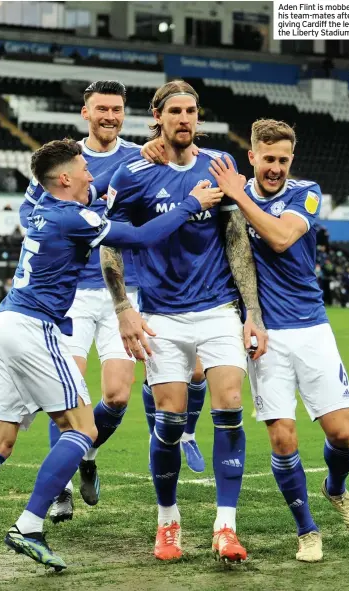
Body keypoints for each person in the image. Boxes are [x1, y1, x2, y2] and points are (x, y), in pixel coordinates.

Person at [0, 138, 223, 577]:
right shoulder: (73, 219)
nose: (91, 175)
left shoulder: (40, 202)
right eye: (84, 169)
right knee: (82, 428)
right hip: (34, 328)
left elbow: (99, 192)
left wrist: (134, 163)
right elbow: (142, 236)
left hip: (3, 324)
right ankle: (30, 525)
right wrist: (191, 202)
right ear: (65, 178)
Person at [20, 81, 208, 524]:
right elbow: (36, 216)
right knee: (67, 389)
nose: (110, 116)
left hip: (124, 290)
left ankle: (84, 452)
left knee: (117, 397)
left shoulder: (142, 157)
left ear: (126, 114)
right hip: (70, 295)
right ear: (86, 112)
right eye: (102, 108)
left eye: (117, 109)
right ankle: (61, 486)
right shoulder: (65, 161)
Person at [102, 80, 267, 563]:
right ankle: (168, 522)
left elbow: (237, 240)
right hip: (161, 315)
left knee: (231, 408)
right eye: (174, 111)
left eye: (191, 111)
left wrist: (251, 311)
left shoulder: (221, 166)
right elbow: (110, 242)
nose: (184, 119)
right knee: (170, 423)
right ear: (157, 116)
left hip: (217, 310)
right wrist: (122, 308)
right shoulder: (134, 172)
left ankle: (225, 527)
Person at [209, 118, 349, 563]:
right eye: (268, 158)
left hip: (312, 327)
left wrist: (239, 194)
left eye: (283, 159)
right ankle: (307, 531)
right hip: (263, 334)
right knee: (283, 440)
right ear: (253, 156)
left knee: (341, 434)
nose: (276, 167)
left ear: (291, 160)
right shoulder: (232, 201)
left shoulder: (306, 192)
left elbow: (281, 238)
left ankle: (335, 488)